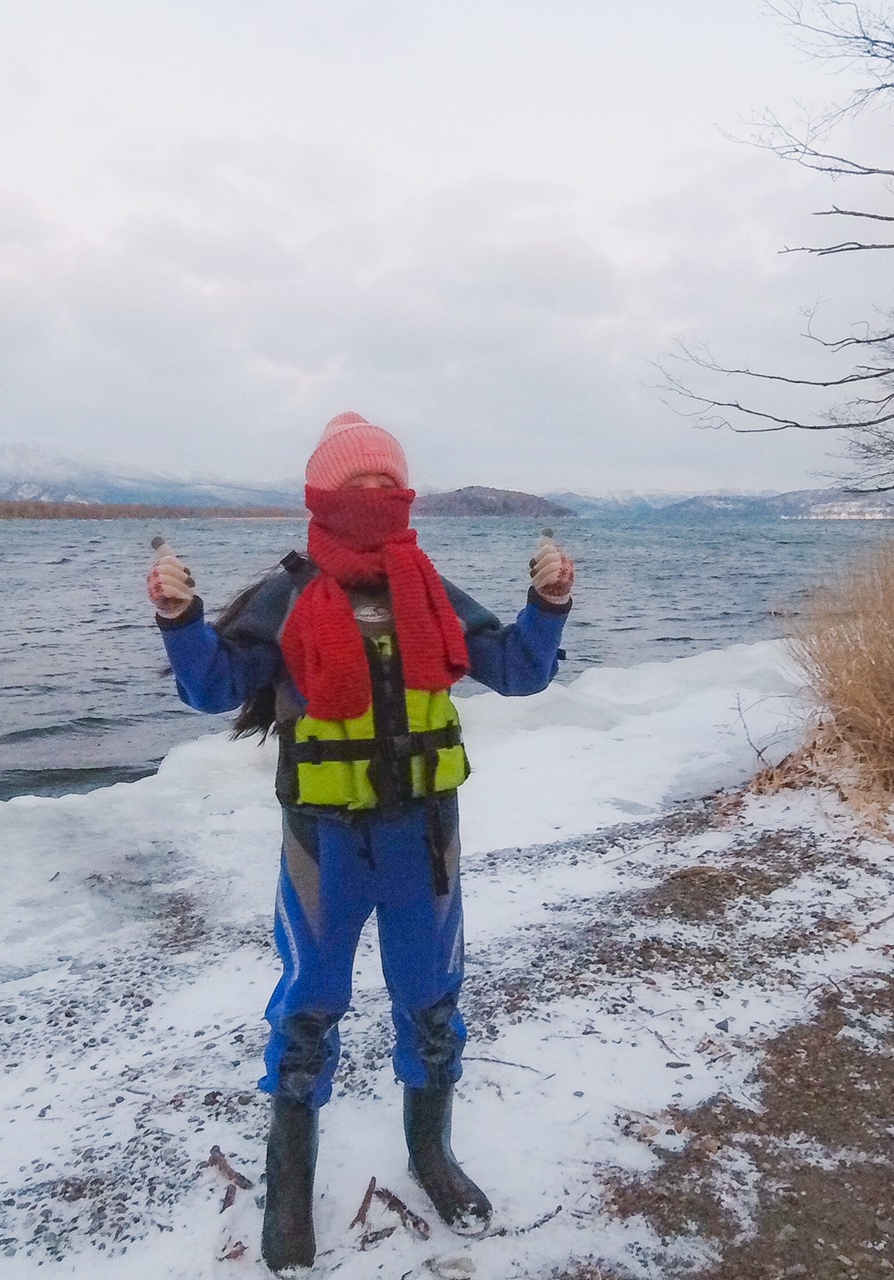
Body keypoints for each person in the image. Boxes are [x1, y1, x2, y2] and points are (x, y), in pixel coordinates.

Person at [145, 411, 575, 1272]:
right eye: (357, 484)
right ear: (322, 496)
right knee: (309, 1005)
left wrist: (549, 604)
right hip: (325, 842)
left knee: (433, 999)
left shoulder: (430, 586)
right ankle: (291, 1185)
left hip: (425, 837)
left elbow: (520, 670)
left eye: (388, 482)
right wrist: (182, 615)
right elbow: (212, 685)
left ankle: (432, 1154)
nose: (375, 497)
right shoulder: (289, 592)